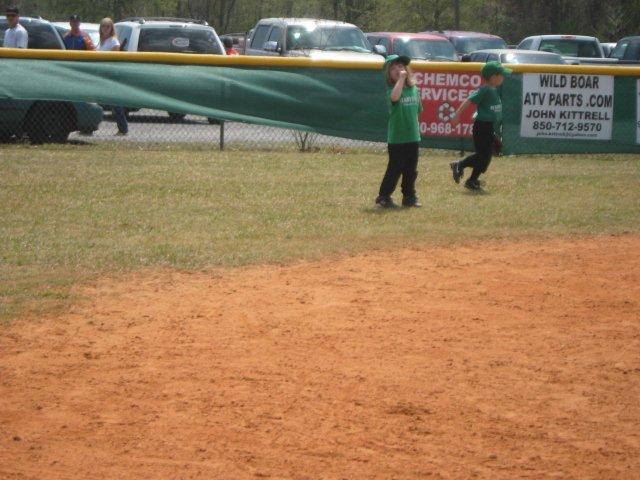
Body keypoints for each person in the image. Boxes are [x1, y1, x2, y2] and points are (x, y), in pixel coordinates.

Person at [449, 61, 511, 191]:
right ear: (493, 77)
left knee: (486, 157)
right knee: (483, 155)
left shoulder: (493, 90)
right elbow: (469, 100)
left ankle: (472, 180)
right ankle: (459, 165)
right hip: (482, 127)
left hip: (488, 127)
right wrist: (457, 115)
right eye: (501, 75)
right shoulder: (485, 90)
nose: (503, 78)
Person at [375, 54, 423, 208]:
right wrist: (401, 80)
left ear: (407, 70)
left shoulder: (414, 89)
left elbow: (417, 111)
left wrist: (417, 131)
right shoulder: (392, 90)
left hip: (412, 137)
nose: (398, 70)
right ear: (389, 75)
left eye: (401, 66)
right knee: (395, 169)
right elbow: (395, 98)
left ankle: (409, 197)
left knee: (410, 169)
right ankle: (384, 196)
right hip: (397, 138)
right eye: (393, 68)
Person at [96, 17, 128, 136]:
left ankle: (123, 128)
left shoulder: (114, 41)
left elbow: (112, 59)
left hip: (111, 75)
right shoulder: (101, 41)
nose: (105, 28)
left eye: (108, 26)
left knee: (115, 103)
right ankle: (88, 127)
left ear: (111, 28)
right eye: (103, 26)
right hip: (100, 74)